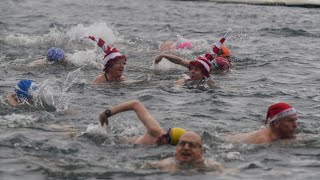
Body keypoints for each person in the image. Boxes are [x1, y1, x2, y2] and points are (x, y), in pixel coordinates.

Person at [99, 99, 186, 145]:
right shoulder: (155, 131)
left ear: (171, 144)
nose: (163, 135)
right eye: (167, 133)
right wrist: (108, 113)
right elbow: (135, 104)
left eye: (167, 137)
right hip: (117, 143)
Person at [155, 30, 232, 73]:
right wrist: (163, 55)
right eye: (193, 69)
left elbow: (180, 61)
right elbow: (180, 61)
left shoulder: (218, 64)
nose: (192, 72)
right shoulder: (199, 64)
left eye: (195, 70)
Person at [150, 131, 226, 173]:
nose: (186, 148)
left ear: (201, 151)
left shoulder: (213, 167)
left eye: (191, 145)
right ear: (176, 148)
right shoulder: (163, 165)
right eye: (182, 144)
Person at [227, 102, 298, 144]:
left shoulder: (284, 134)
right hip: (229, 141)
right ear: (276, 123)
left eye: (295, 120)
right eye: (290, 121)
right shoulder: (263, 140)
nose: (295, 125)